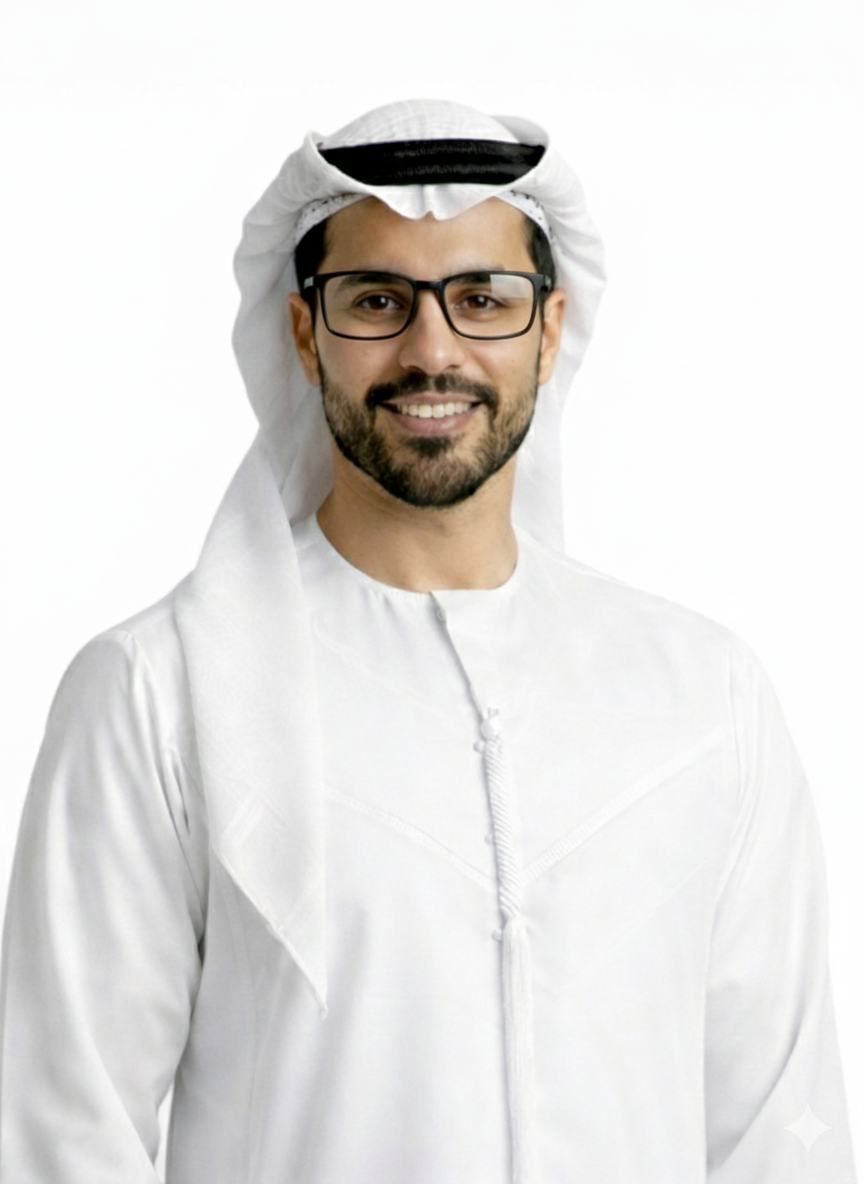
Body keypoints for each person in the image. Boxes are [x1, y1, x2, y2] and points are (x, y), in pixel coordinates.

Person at [0, 99, 856, 1184]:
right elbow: (62, 1134)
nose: (432, 349)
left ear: (549, 328)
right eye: (377, 300)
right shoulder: (158, 694)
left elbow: (782, 1137)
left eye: (482, 297)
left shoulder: (703, 696)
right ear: (305, 332)